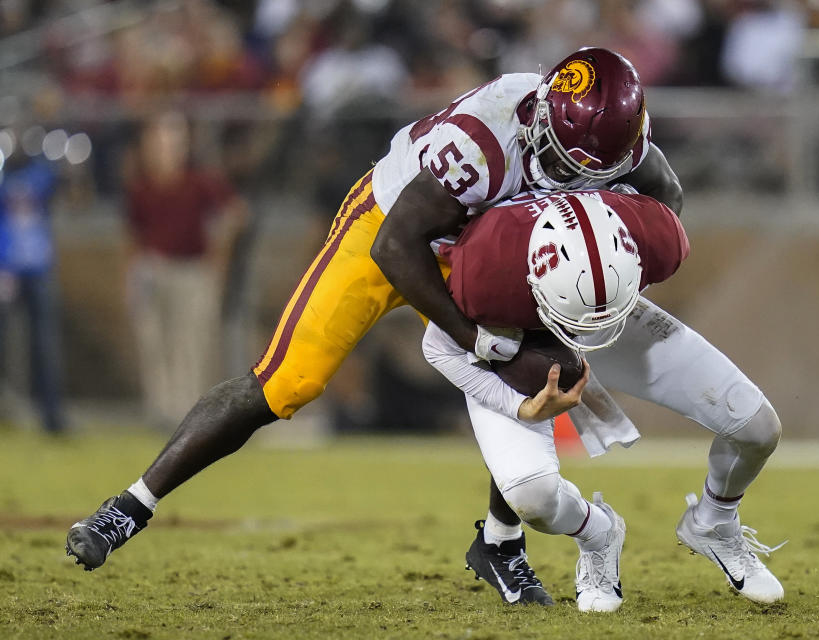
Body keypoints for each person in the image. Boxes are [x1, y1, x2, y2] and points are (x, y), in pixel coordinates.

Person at [64, 47, 682, 583]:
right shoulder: (485, 142)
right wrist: (480, 342)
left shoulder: (608, 139)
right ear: (545, 123)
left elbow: (666, 199)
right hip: (389, 228)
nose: (576, 176)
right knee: (286, 382)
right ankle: (130, 505)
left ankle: (499, 544)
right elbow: (396, 248)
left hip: (476, 244)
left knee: (538, 372)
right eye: (569, 161)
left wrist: (621, 259)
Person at [423, 188, 786, 609]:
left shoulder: (657, 235)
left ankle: (715, 523)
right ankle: (598, 533)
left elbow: (656, 181)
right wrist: (519, 406)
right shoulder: (488, 270)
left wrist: (605, 308)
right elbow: (438, 347)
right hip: (521, 332)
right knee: (532, 499)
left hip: (615, 310)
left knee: (757, 427)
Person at [124, 110, 250, 430]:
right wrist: (129, 275)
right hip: (154, 270)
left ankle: (187, 411)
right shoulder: (141, 186)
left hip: (192, 271)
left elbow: (235, 215)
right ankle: (160, 410)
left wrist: (218, 258)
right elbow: (132, 235)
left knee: (190, 343)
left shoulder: (200, 181)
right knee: (154, 343)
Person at [0, 131, 66, 435]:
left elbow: (76, 195)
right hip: (6, 265)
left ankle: (51, 416)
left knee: (44, 346)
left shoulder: (42, 172)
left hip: (37, 266)